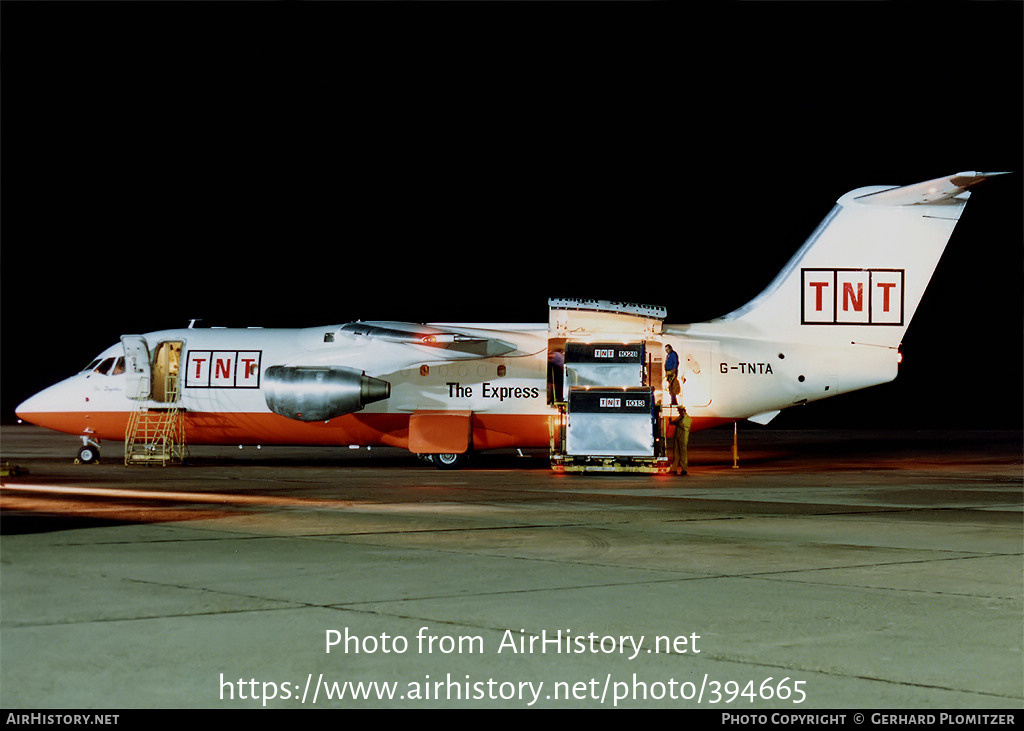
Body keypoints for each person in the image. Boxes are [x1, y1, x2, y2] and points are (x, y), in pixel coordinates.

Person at [670, 406, 692, 475]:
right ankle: (674, 469)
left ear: (684, 411)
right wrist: (671, 421)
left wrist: (674, 422)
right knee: (676, 454)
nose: (679, 412)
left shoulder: (688, 419)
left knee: (683, 454)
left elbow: (682, 424)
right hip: (677, 438)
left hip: (683, 439)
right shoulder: (680, 418)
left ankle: (684, 469)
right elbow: (675, 422)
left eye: (680, 411)